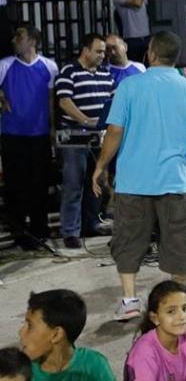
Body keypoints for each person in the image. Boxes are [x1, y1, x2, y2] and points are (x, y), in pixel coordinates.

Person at [91, 31, 186, 320]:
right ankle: (173, 300)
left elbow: (115, 131)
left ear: (152, 53)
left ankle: (130, 300)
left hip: (133, 181)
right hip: (174, 180)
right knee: (180, 240)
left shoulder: (130, 86)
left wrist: (100, 166)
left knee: (128, 239)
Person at [0, 26, 59, 250]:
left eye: (20, 36)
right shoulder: (5, 65)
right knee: (15, 186)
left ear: (33, 40)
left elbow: (52, 100)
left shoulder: (49, 66)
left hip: (39, 134)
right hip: (12, 134)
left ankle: (39, 230)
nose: (15, 40)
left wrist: (52, 129)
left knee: (40, 185)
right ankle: (19, 232)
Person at [55, 33, 114, 248]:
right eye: (98, 51)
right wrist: (86, 120)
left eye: (103, 52)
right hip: (74, 136)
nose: (102, 55)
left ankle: (91, 223)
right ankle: (70, 231)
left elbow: (114, 100)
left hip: (99, 137)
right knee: (73, 183)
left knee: (96, 183)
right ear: (85, 50)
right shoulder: (68, 71)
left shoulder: (106, 74)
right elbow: (64, 102)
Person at [19, 290, 115, 380]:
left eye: (30, 326)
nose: (20, 332)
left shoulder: (94, 365)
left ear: (56, 335)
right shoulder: (18, 373)